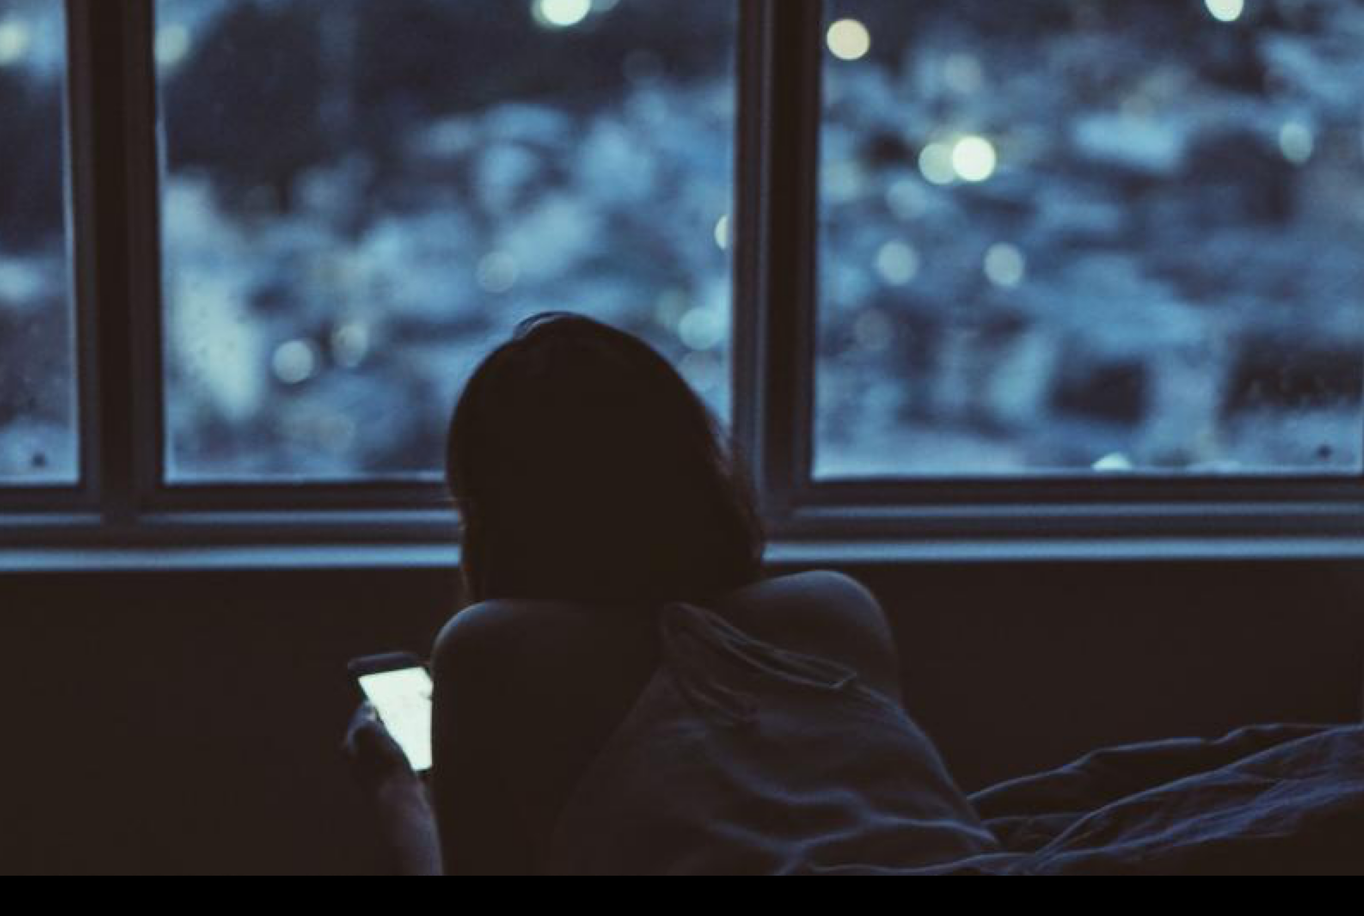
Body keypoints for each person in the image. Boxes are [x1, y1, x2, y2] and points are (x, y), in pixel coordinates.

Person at [342, 311, 929, 875]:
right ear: (696, 471)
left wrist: (399, 795)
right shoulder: (835, 606)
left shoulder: (493, 646)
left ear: (496, 516)